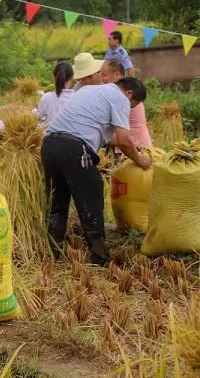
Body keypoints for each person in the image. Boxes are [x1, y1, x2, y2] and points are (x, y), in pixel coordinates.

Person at [43, 77, 152, 265]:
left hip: (49, 145)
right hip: (74, 149)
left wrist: (135, 148)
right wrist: (139, 159)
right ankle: (100, 257)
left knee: (58, 202)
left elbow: (111, 139)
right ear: (129, 94)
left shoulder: (91, 90)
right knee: (92, 197)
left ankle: (53, 253)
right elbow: (124, 140)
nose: (129, 110)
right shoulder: (119, 98)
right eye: (132, 106)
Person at [101, 59, 152, 148]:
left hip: (134, 147)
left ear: (117, 74)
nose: (102, 79)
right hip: (132, 144)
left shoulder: (123, 95)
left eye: (104, 75)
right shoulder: (124, 90)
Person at [36, 61, 75, 126]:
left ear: (53, 77)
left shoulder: (47, 97)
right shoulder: (78, 97)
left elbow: (37, 117)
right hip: (72, 135)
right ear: (72, 78)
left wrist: (36, 110)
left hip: (50, 134)